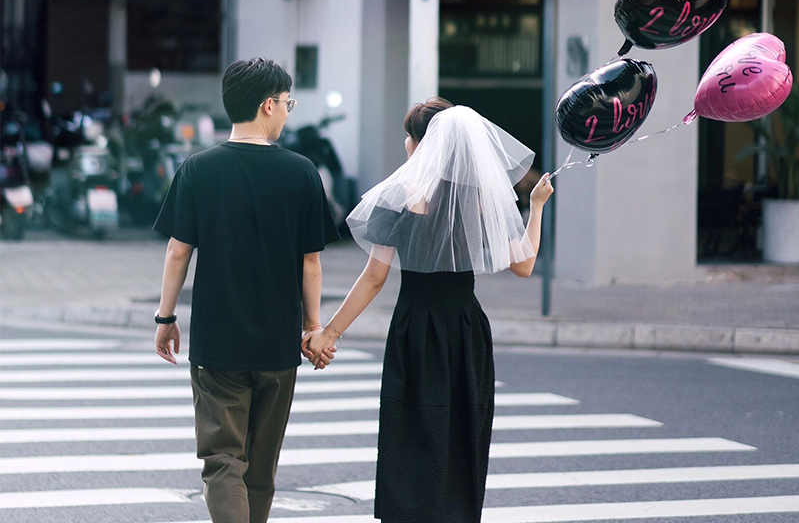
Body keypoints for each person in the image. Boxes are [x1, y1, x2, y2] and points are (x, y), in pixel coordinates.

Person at [305, 98, 553, 523]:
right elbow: (525, 265)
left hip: (415, 327)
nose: (406, 142)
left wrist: (328, 333)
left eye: (410, 135)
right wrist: (537, 206)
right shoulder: (479, 198)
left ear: (422, 143)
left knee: (412, 430)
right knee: (460, 433)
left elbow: (374, 278)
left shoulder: (397, 195)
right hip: (465, 327)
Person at [153, 57, 340, 523]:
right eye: (288, 102)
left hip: (218, 343)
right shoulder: (301, 172)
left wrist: (166, 318)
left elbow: (179, 252)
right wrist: (312, 326)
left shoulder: (199, 169)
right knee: (260, 468)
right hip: (276, 345)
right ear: (268, 105)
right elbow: (310, 262)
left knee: (223, 462)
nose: (289, 111)